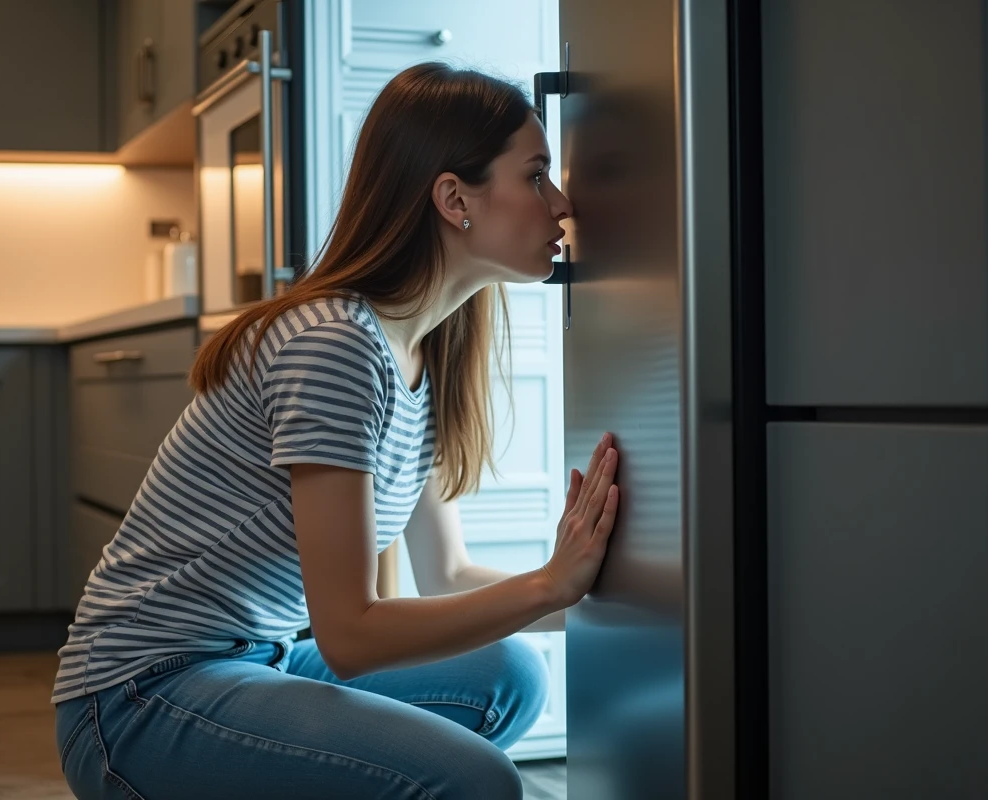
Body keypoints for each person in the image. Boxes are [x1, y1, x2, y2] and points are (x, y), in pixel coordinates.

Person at [53, 61, 620, 800]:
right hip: (136, 694)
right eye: (537, 175)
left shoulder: (424, 352)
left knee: (510, 677)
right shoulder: (335, 346)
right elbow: (351, 636)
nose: (563, 203)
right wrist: (548, 583)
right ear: (455, 199)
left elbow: (446, 575)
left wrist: (626, 607)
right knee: (477, 782)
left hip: (259, 658)